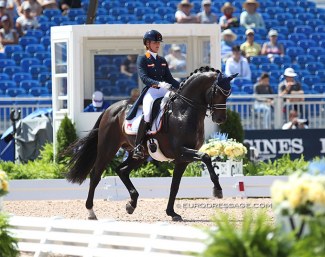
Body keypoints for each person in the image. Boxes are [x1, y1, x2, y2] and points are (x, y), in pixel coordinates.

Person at [130, 30, 180, 159]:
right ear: (147, 43)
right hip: (151, 91)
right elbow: (144, 78)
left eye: (159, 42)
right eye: (155, 42)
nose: (158, 45)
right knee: (147, 114)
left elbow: (170, 78)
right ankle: (138, 146)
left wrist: (181, 85)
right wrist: (159, 83)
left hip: (165, 90)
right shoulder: (142, 59)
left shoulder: (162, 60)